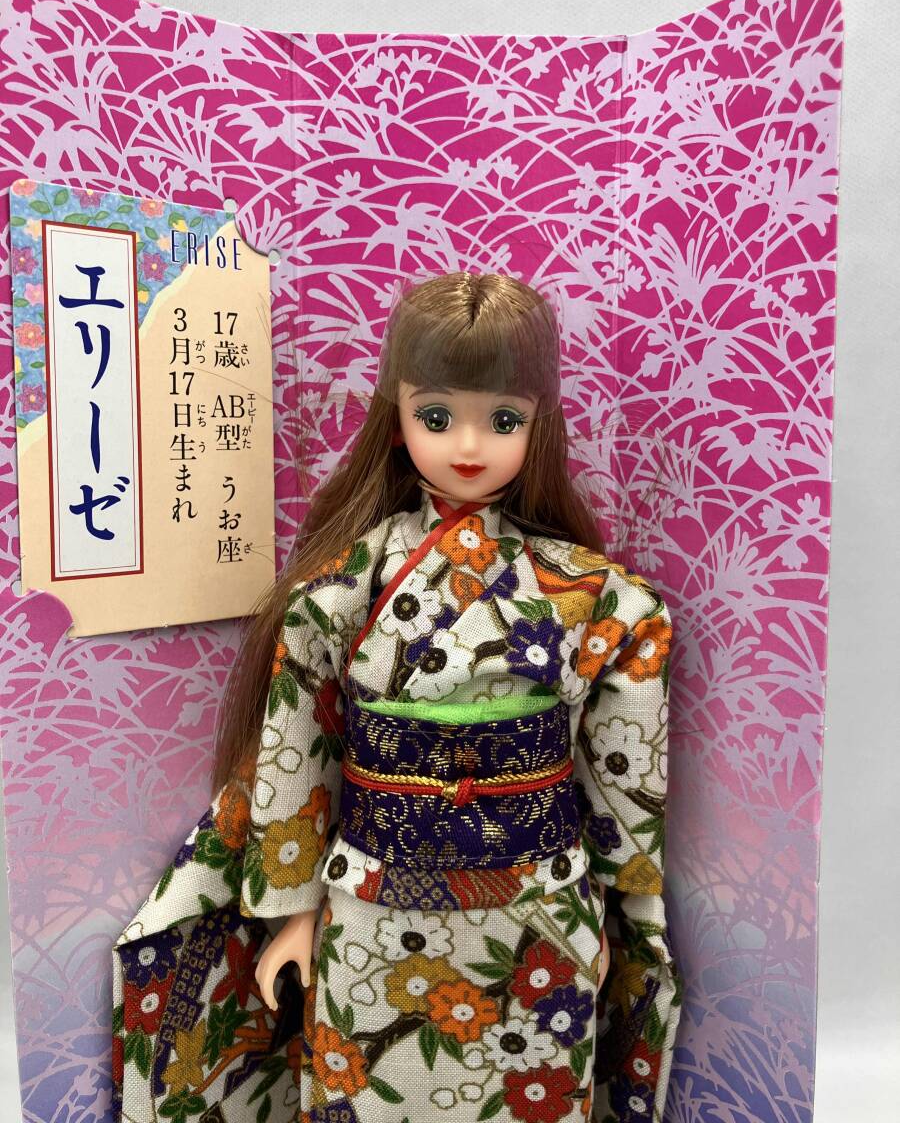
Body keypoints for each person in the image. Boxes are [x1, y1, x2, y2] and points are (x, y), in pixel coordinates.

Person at [112, 270, 681, 1123]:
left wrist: (613, 910)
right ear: (398, 416)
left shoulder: (597, 599)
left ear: (541, 424)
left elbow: (620, 779)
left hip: (540, 902)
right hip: (373, 901)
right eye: (437, 416)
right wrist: (293, 915)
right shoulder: (344, 588)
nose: (468, 446)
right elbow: (297, 754)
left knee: (532, 1089)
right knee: (367, 1090)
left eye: (505, 420)